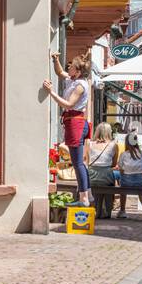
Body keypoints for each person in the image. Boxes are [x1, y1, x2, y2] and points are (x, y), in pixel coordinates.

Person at [42, 52, 92, 205]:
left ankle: (83, 198)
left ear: (77, 72)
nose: (68, 67)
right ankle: (88, 195)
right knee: (79, 163)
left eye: (71, 67)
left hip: (75, 123)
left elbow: (68, 104)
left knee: (77, 163)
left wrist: (51, 92)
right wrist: (55, 59)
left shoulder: (80, 86)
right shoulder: (73, 79)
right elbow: (59, 72)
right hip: (74, 122)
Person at [115, 130, 142, 219]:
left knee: (123, 190)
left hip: (126, 182)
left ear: (126, 143)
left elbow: (120, 169)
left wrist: (125, 175)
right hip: (140, 181)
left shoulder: (124, 154)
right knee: (141, 190)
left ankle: (123, 211)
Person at [86, 121, 119, 218]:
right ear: (109, 132)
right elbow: (113, 163)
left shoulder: (89, 144)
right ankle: (106, 211)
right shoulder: (114, 145)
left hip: (91, 174)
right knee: (108, 184)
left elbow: (87, 162)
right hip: (106, 175)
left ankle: (95, 210)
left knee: (94, 186)